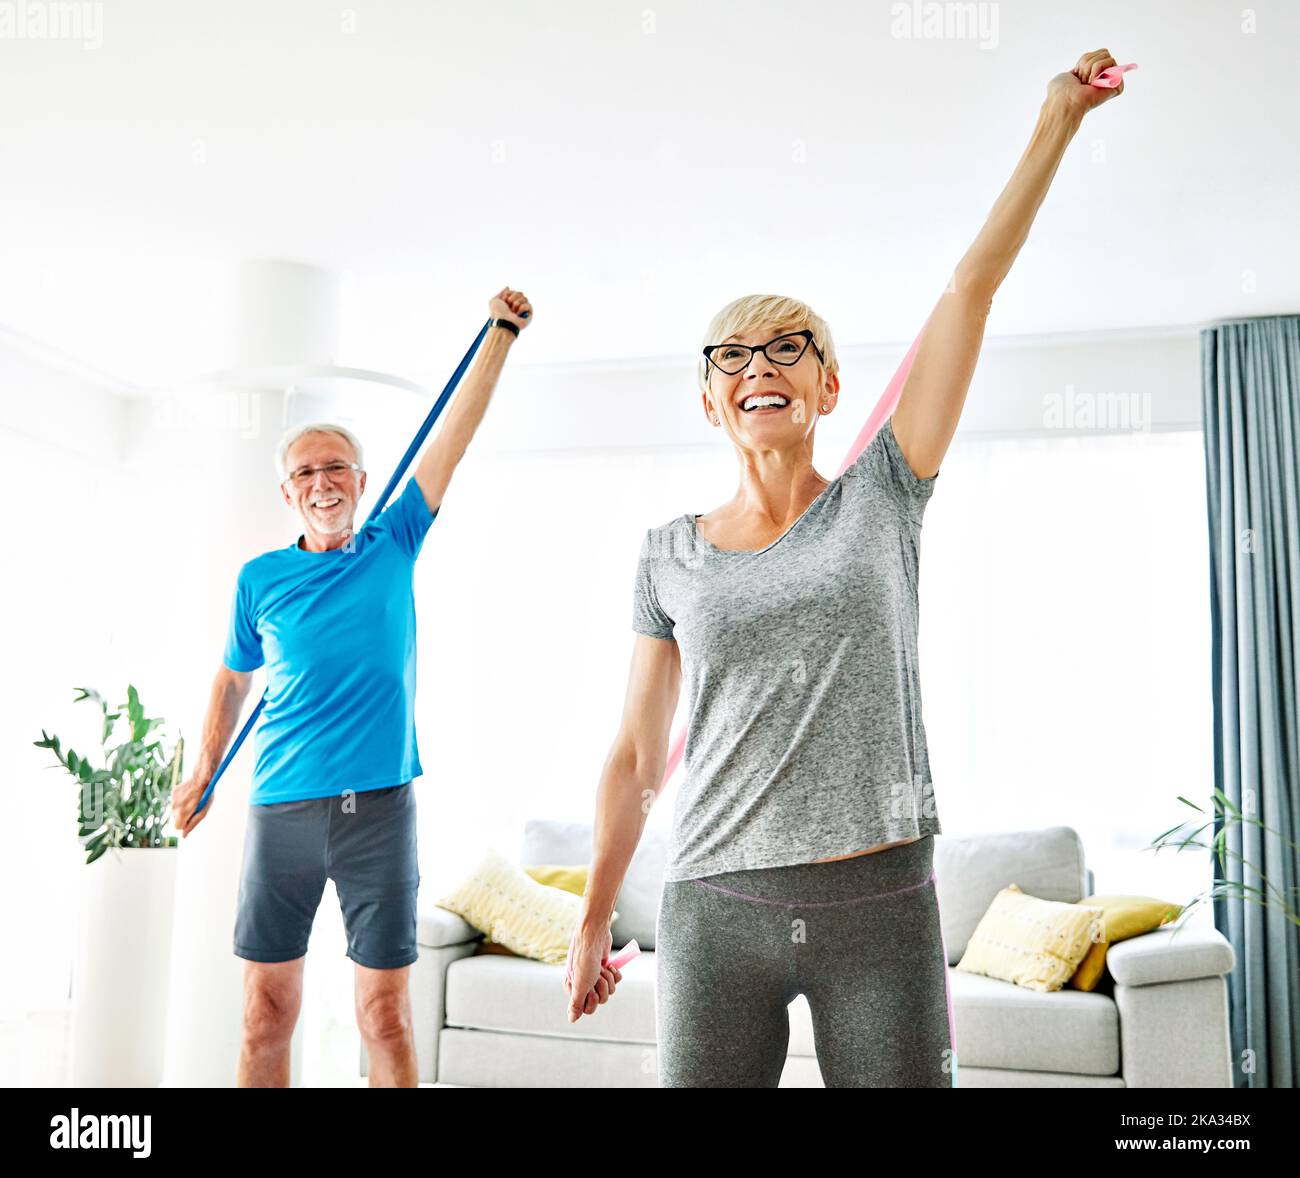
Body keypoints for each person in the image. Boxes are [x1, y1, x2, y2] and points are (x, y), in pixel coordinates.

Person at [563, 49, 1128, 1086]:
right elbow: (637, 758)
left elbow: (969, 290)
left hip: (879, 904)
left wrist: (1057, 121)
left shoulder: (885, 491)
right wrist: (593, 913)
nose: (758, 366)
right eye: (731, 355)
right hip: (713, 907)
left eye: (787, 348)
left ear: (827, 385)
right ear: (707, 400)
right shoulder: (667, 553)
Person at [171, 287, 533, 1088]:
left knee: (385, 1018)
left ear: (363, 480)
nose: (322, 480)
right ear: (287, 492)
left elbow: (453, 438)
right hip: (282, 810)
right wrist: (203, 769)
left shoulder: (393, 541)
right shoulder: (260, 579)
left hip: (379, 810)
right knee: (266, 1011)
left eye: (337, 466)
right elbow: (232, 682)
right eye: (305, 471)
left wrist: (500, 335)